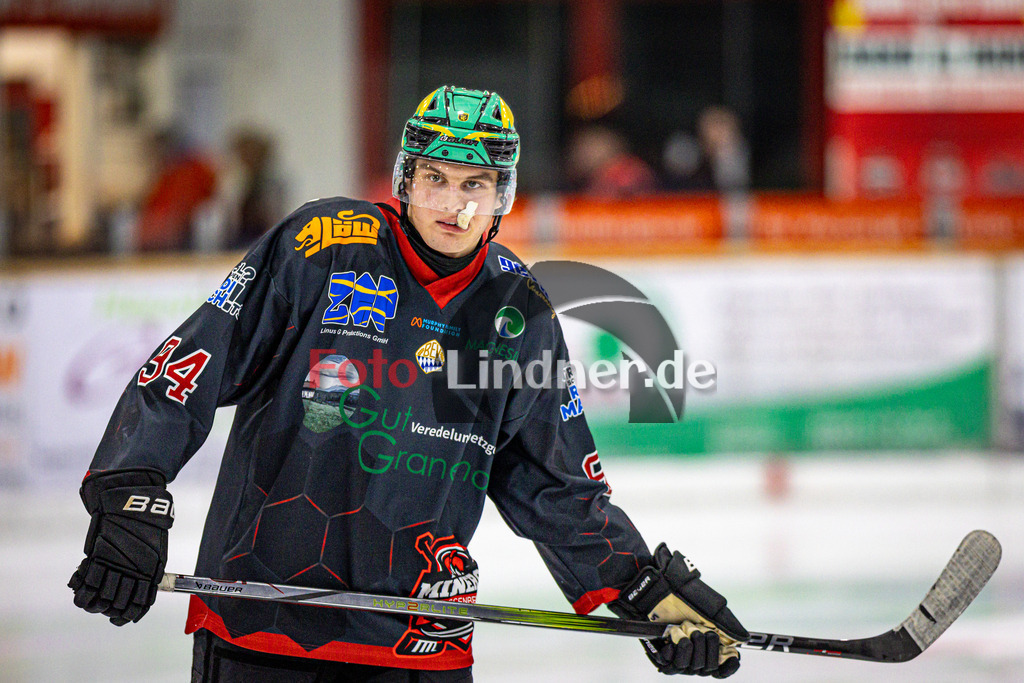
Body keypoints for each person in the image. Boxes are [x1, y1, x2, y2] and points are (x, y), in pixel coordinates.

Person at [68, 86, 746, 682]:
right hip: (264, 630)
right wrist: (131, 491)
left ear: (502, 194)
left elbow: (555, 484)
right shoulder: (323, 242)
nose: (453, 204)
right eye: (435, 178)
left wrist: (645, 589)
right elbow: (193, 362)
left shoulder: (519, 310)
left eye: (475, 184)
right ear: (405, 177)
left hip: (420, 645)